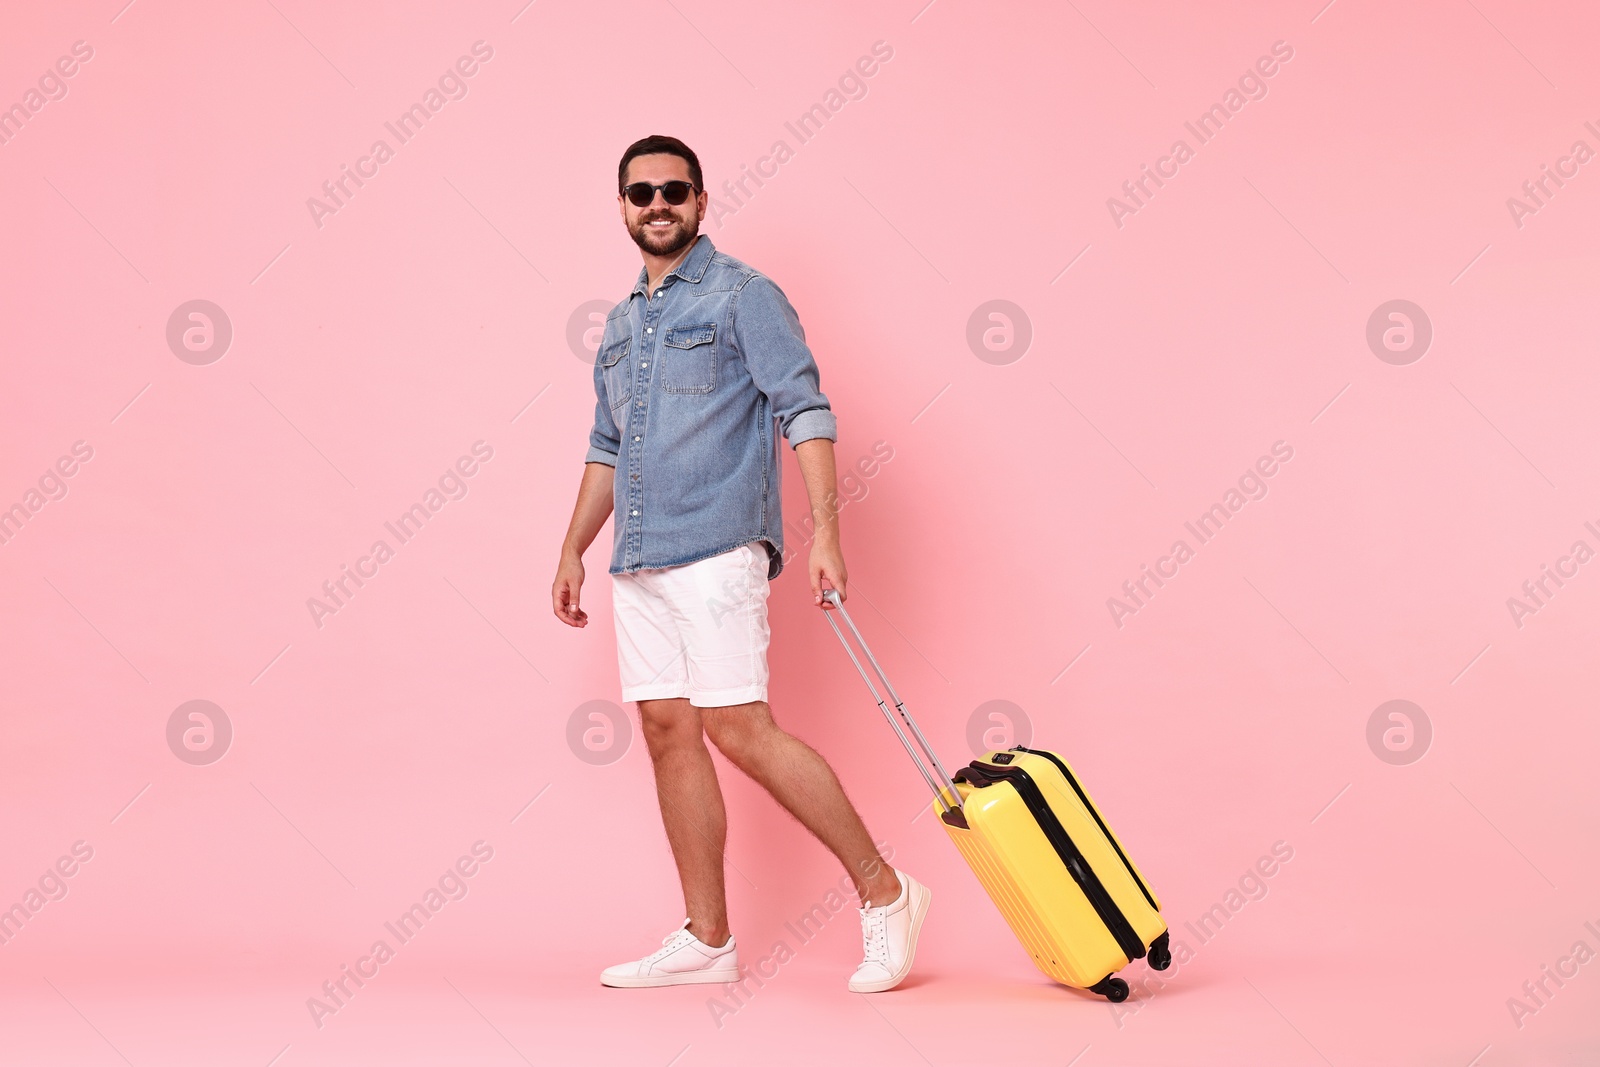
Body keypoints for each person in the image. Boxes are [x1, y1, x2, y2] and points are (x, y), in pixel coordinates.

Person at [552, 135, 930, 993]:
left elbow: (805, 407)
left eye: (673, 191)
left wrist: (826, 534)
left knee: (737, 726)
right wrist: (572, 546)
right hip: (637, 557)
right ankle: (708, 938)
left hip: (718, 547)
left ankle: (886, 891)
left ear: (700, 201)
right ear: (621, 206)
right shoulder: (617, 328)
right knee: (666, 730)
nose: (658, 204)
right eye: (641, 192)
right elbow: (606, 447)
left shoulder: (742, 296)